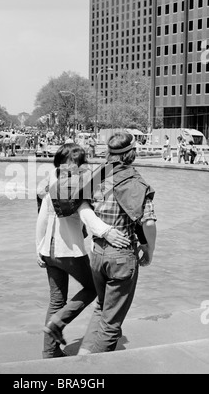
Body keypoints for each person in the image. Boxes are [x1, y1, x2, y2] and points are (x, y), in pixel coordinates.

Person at [36, 143, 131, 359]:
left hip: (48, 250)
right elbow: (86, 214)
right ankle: (60, 321)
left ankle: (49, 352)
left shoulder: (50, 179)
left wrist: (38, 248)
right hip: (69, 250)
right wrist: (108, 232)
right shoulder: (78, 184)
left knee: (56, 300)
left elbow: (42, 216)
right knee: (95, 289)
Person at [76, 131, 157, 355]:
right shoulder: (135, 182)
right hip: (121, 256)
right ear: (131, 153)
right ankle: (94, 369)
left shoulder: (97, 175)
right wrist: (149, 249)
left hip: (97, 253)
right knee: (111, 324)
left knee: (101, 308)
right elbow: (148, 223)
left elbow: (81, 206)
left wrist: (103, 230)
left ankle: (82, 357)